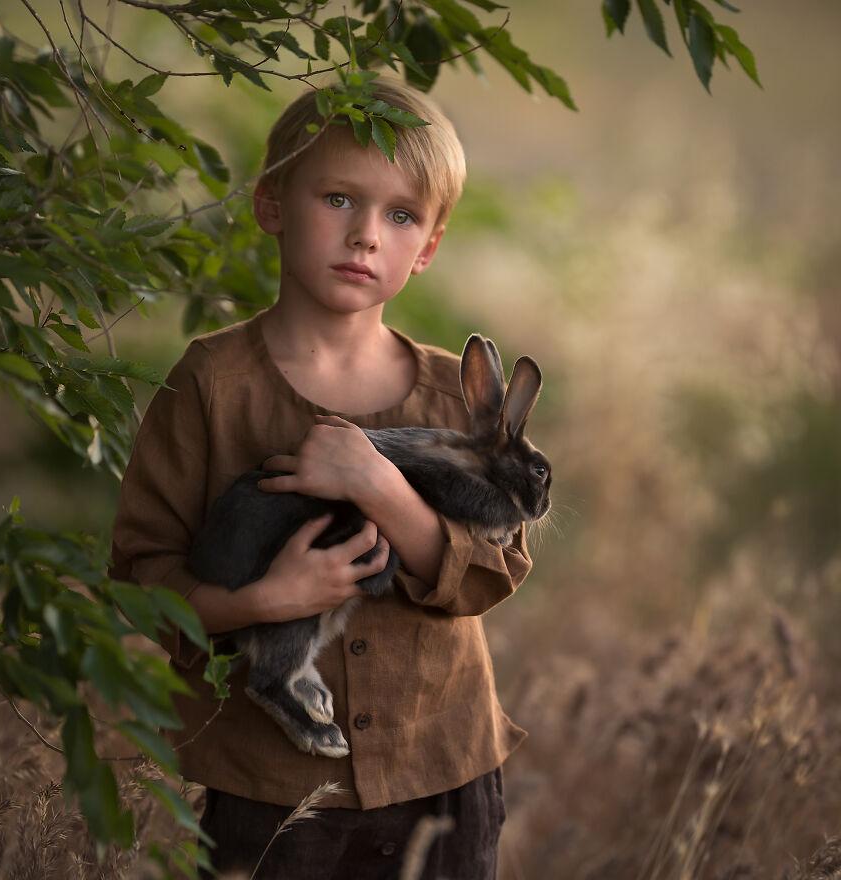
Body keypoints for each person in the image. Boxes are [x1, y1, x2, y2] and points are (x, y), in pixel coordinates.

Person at [109, 77, 531, 879]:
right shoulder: (209, 383)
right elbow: (143, 575)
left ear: (429, 247)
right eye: (339, 198)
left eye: (401, 215)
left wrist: (381, 489)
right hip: (272, 786)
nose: (366, 236)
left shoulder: (452, 398)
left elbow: (494, 571)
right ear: (272, 205)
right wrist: (261, 603)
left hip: (441, 772)